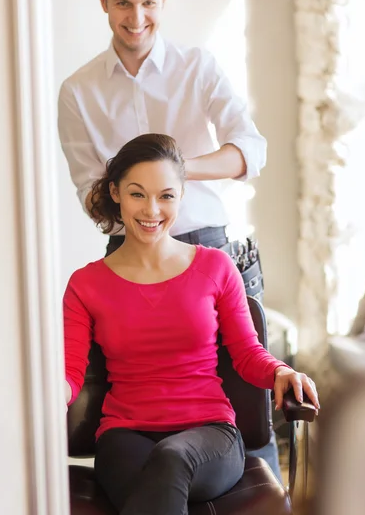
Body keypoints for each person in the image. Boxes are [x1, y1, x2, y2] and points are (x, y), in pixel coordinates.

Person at [57, 0, 285, 475]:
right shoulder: (77, 92)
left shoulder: (198, 68)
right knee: (136, 427)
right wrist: (143, 212)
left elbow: (251, 150)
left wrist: (173, 174)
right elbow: (93, 196)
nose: (137, 18)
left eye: (149, 3)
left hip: (213, 255)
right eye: (123, 3)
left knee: (252, 428)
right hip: (127, 262)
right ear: (103, 0)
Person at [63, 133, 320, 515]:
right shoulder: (86, 285)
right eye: (138, 194)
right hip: (124, 435)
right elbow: (69, 372)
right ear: (115, 193)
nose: (152, 210)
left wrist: (281, 371)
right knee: (158, 477)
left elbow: (248, 354)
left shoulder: (216, 268)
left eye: (166, 195)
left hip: (211, 433)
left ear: (182, 196)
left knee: (172, 458)